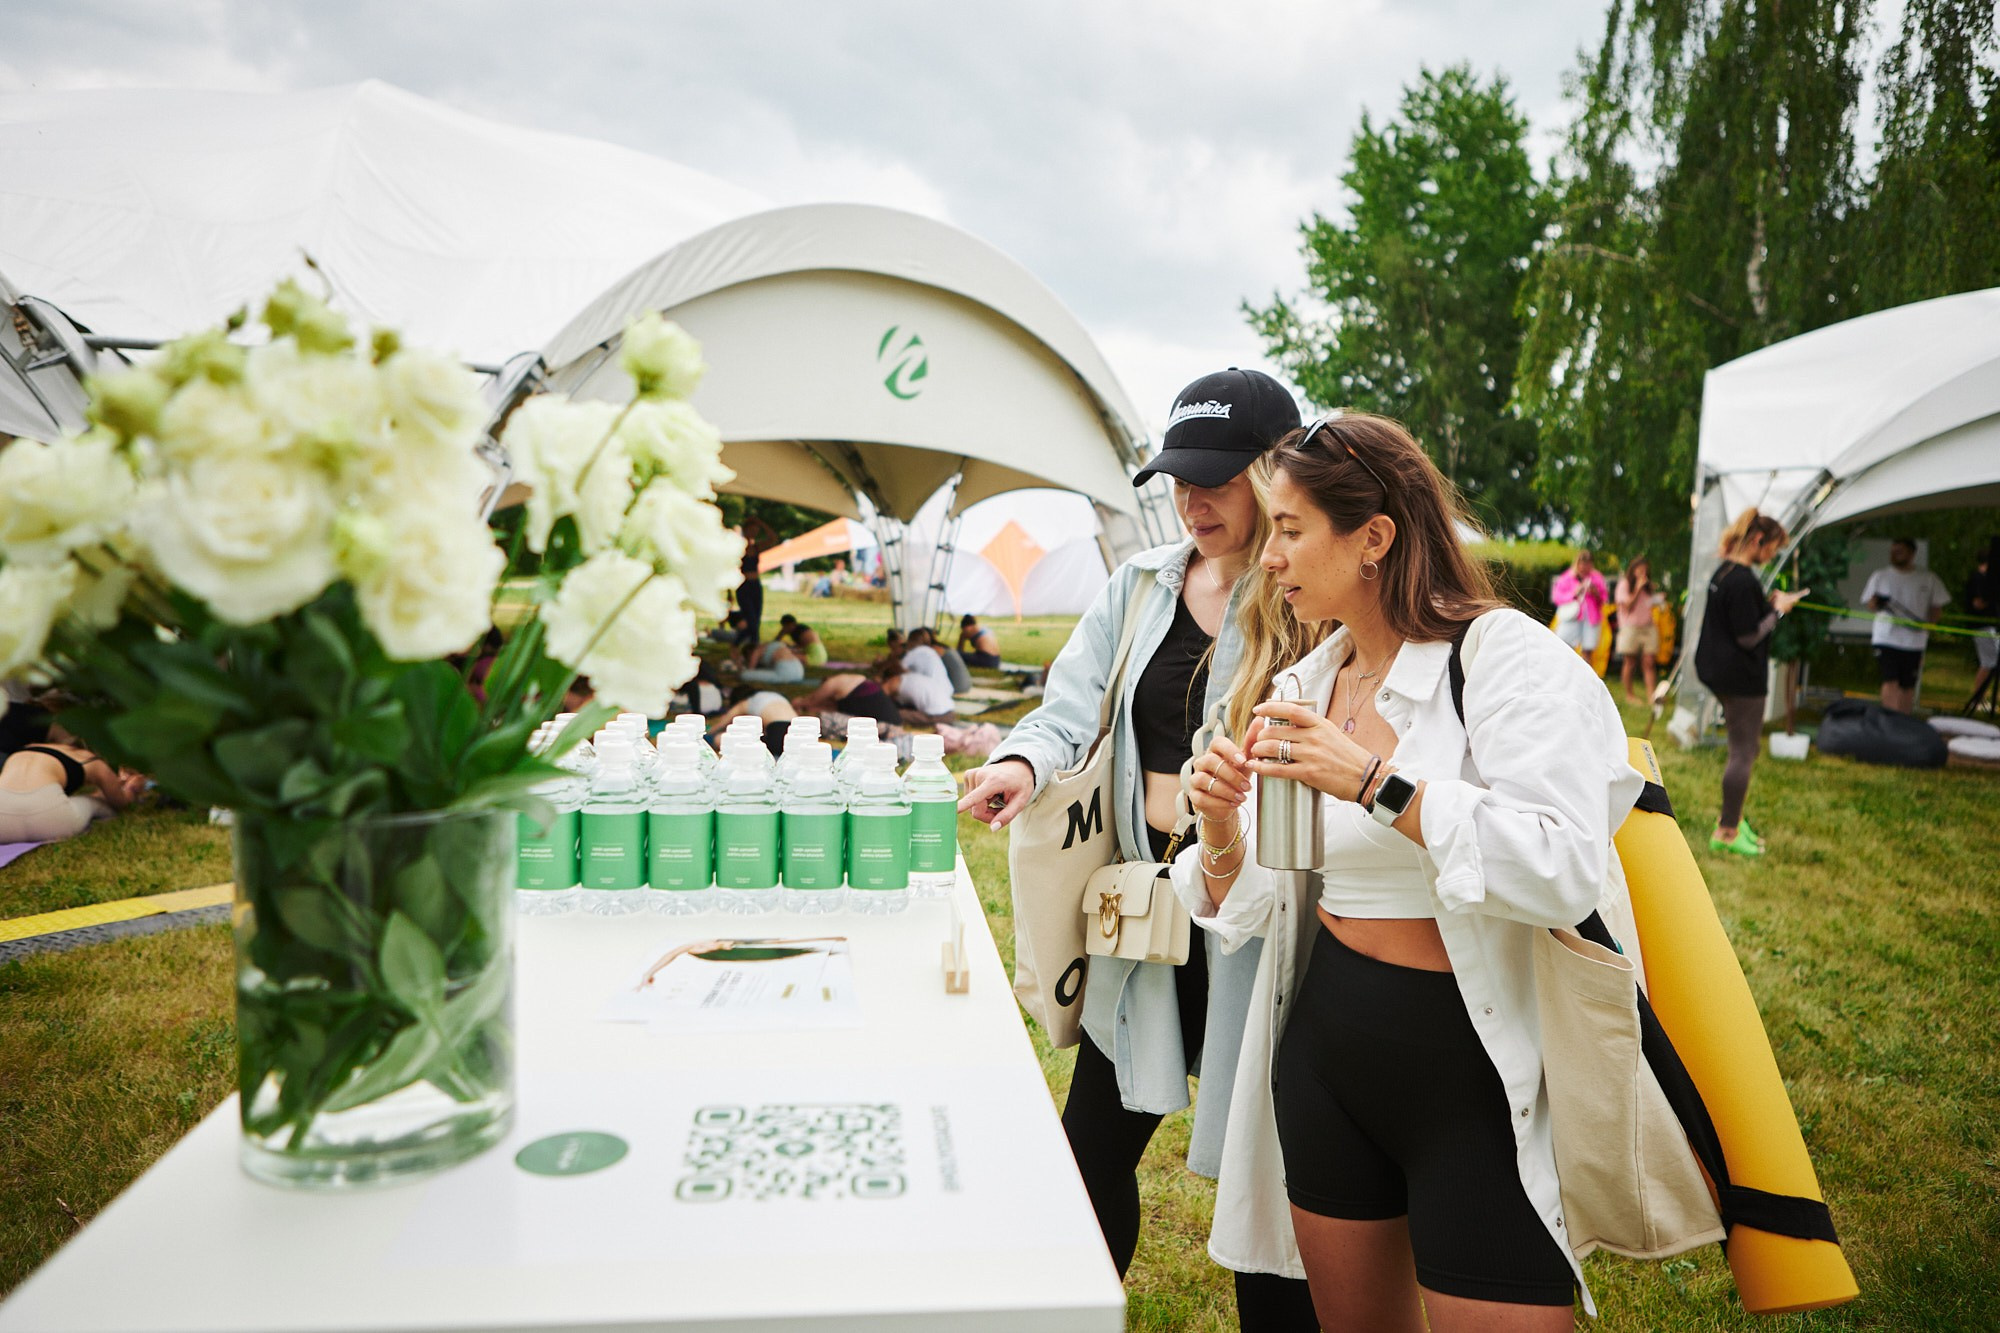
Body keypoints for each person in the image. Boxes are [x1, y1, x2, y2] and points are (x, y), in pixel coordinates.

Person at [1178, 411, 1642, 1329]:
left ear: (1375, 538)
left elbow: (1562, 867)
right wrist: (1220, 823)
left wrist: (1376, 784)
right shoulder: (1302, 686)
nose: (1267, 556)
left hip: (1470, 1072)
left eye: (1290, 528)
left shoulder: (1508, 659)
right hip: (1326, 1060)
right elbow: (1266, 897)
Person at [957, 369, 1317, 1330]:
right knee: (1090, 1154)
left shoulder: (1309, 594)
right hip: (1146, 906)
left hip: (1265, 923)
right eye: (1177, 480)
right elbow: (1070, 706)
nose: (1192, 500)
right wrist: (1023, 765)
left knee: (1262, 1176)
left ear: (1276, 472)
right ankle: (1078, 1310)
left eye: (1216, 478)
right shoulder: (1141, 583)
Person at [1693, 509, 1809, 857]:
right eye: (1772, 548)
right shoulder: (1742, 579)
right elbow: (1747, 637)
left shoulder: (1725, 571)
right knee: (1743, 752)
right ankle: (1727, 831)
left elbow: (1739, 618)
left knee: (1741, 750)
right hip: (1740, 676)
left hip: (1717, 669)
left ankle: (1733, 818)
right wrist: (1780, 610)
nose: (1771, 555)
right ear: (1758, 540)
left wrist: (1768, 605)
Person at [1860, 537, 1951, 713]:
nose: (1895, 555)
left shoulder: (1928, 578)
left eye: (1900, 552)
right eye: (1893, 552)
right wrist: (1878, 602)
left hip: (1914, 641)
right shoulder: (1880, 576)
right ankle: (1889, 721)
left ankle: (1902, 723)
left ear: (1912, 554)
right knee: (1890, 680)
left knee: (1907, 684)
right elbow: (1870, 604)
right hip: (1886, 638)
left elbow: (1937, 608)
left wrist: (1927, 627)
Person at [0, 732, 137, 843]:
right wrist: (131, 788)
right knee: (94, 803)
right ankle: (97, 799)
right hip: (53, 820)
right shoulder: (90, 759)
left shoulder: (29, 748)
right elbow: (119, 802)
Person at [1614, 554, 1661, 705]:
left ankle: (1651, 696)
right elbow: (1627, 605)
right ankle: (1629, 695)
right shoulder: (1624, 584)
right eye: (1640, 570)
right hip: (1630, 628)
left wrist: (1658, 599)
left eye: (1645, 570)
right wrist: (1638, 588)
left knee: (1649, 661)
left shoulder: (1648, 587)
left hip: (1648, 627)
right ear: (1633, 570)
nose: (1643, 573)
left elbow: (1648, 604)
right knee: (1630, 661)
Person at [791, 672, 904, 728]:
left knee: (823, 720)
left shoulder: (835, 682)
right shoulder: (851, 688)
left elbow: (813, 700)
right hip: (891, 724)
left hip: (886, 727)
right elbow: (822, 707)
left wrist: (799, 703)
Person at [1550, 549, 1608, 658]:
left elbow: (1604, 598)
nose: (1584, 568)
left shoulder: (1597, 578)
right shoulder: (1567, 577)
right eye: (1582, 564)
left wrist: (1595, 593)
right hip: (1572, 617)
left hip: (1591, 619)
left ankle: (1585, 673)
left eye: (1588, 564)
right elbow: (1557, 597)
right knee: (1565, 647)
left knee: (1588, 651)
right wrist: (1574, 593)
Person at [1963, 537, 1999, 714]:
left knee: (1991, 662)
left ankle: (1982, 697)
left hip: (1990, 626)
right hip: (1982, 627)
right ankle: (1978, 698)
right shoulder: (1979, 579)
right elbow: (1978, 603)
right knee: (1988, 662)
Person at [883, 661, 957, 727]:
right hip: (950, 711)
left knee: (895, 713)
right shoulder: (911, 677)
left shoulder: (897, 684)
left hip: (939, 716)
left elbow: (884, 692)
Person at [739, 637, 805, 684]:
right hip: (799, 671)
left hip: (786, 673)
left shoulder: (756, 651)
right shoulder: (772, 645)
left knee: (745, 675)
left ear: (749, 653)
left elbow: (751, 670)